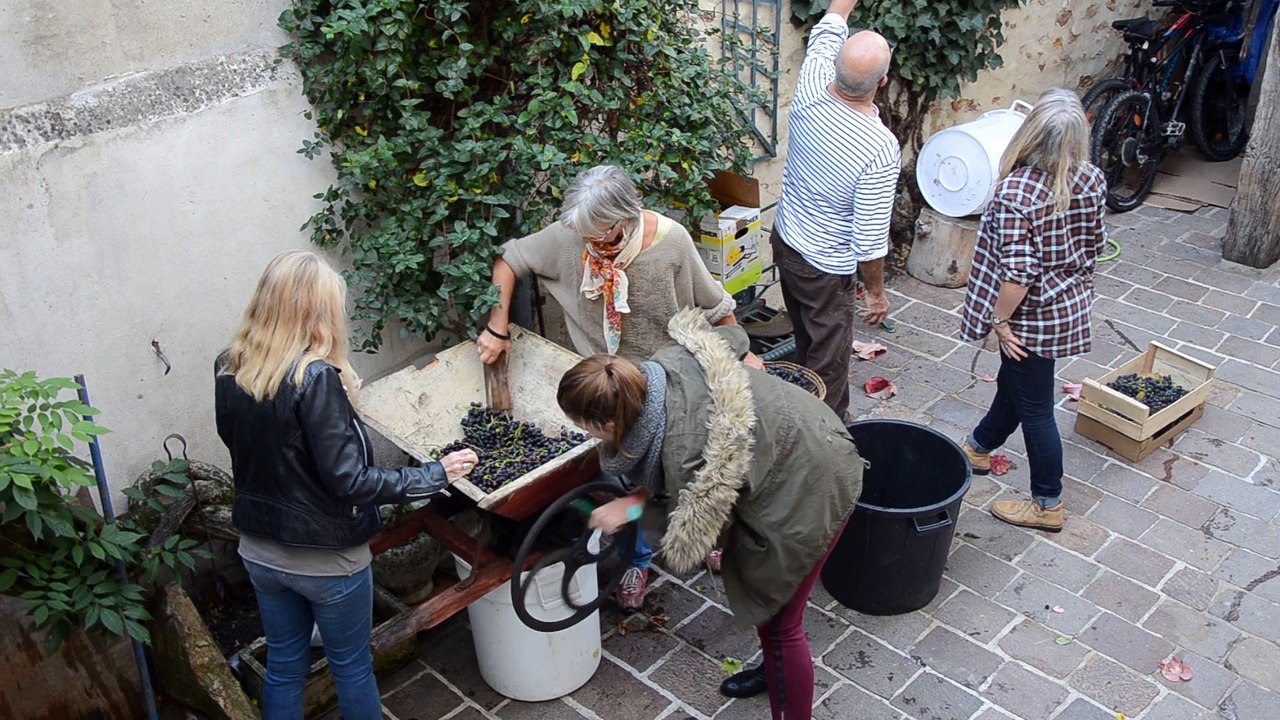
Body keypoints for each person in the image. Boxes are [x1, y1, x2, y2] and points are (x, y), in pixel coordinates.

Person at [476, 164, 763, 610]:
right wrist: (497, 327)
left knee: (690, 465)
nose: (592, 246)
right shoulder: (574, 235)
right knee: (625, 480)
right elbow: (510, 259)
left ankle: (706, 533)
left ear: (628, 216)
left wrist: (742, 354)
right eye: (585, 237)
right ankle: (638, 558)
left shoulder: (670, 243)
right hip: (610, 393)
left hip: (672, 386)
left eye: (602, 237)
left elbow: (714, 304)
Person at [556, 309, 864, 720]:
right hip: (804, 434)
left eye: (584, 425)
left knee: (780, 625)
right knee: (775, 620)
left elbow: (703, 529)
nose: (585, 433)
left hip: (814, 483)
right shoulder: (667, 365)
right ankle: (774, 675)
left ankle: (789, 699)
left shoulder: (687, 452)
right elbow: (734, 338)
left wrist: (631, 509)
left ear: (609, 422)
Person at [215, 250, 478, 720]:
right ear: (317, 311)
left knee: (284, 666)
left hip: (259, 550)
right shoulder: (314, 378)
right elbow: (350, 481)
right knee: (352, 667)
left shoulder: (231, 366)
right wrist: (435, 473)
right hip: (327, 560)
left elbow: (243, 445)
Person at [958, 88, 1108, 533]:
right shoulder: (1093, 179)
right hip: (1066, 306)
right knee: (1019, 383)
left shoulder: (1015, 192)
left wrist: (1000, 322)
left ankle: (1047, 503)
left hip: (1028, 318)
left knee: (1037, 409)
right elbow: (1095, 243)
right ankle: (979, 446)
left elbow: (1019, 273)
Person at [772, 0, 901, 420]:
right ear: (883, 82)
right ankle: (823, 440)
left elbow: (831, 23)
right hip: (825, 269)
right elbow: (869, 238)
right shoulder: (878, 147)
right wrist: (877, 294)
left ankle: (800, 407)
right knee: (830, 364)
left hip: (786, 242)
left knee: (807, 338)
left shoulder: (810, 86)